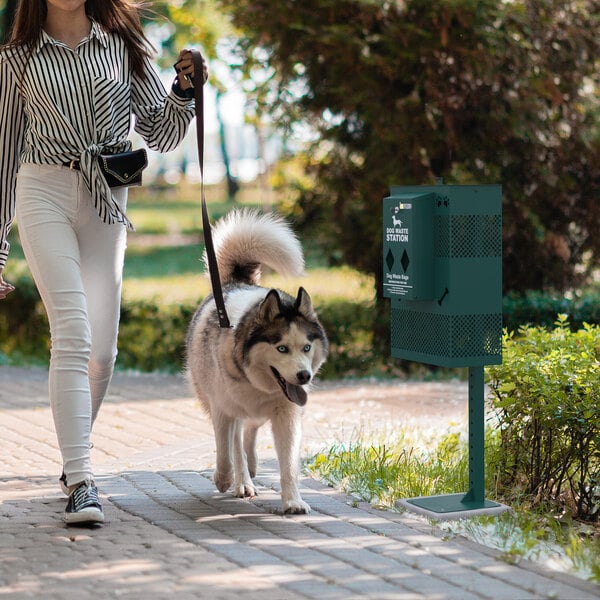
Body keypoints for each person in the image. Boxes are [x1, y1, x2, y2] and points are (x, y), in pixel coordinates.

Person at [0, 0, 205, 526]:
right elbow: (3, 156)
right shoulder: (15, 57)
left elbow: (160, 133)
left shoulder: (127, 43)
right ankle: (83, 479)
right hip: (41, 188)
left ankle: (74, 463)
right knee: (72, 332)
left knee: (104, 349)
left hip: (108, 198)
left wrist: (184, 90)